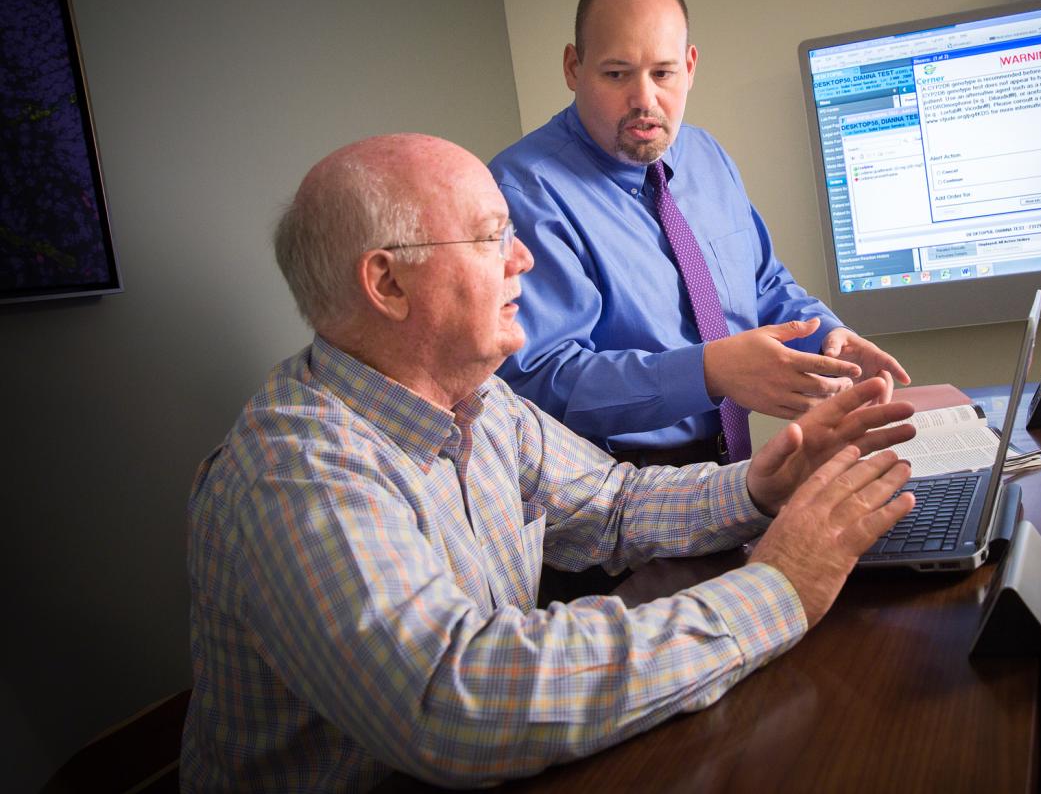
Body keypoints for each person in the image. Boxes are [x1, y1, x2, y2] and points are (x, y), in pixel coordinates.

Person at [182, 132, 917, 791]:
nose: (524, 257)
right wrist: (777, 588)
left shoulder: (479, 402)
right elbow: (452, 700)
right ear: (388, 284)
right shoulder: (296, 473)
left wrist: (761, 488)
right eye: (492, 235)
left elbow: (615, 506)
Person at [490, 0, 911, 467]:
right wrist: (709, 372)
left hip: (737, 467)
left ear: (690, 67)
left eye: (662, 73)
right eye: (616, 73)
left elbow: (763, 283)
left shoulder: (704, 154)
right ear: (572, 67)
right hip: (616, 489)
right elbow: (542, 383)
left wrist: (827, 338)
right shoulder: (524, 192)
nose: (644, 99)